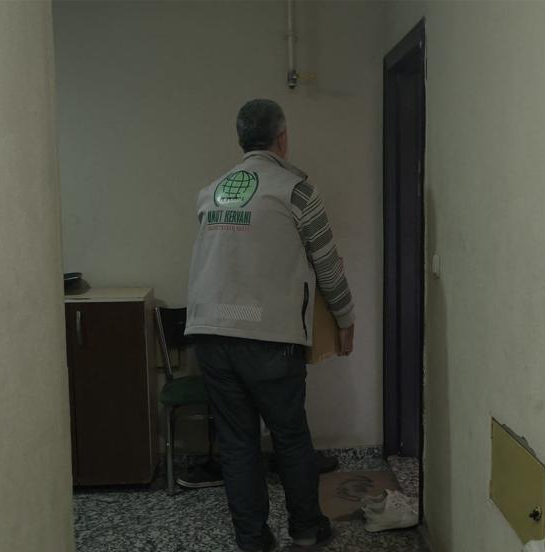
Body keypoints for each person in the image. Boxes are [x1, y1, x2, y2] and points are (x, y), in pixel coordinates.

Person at [185, 99, 356, 552]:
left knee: (237, 443)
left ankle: (252, 540)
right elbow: (327, 266)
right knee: (290, 437)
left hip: (208, 333)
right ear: (282, 139)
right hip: (267, 339)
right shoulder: (296, 192)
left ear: (241, 139)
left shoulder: (211, 193)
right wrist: (345, 318)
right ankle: (306, 530)